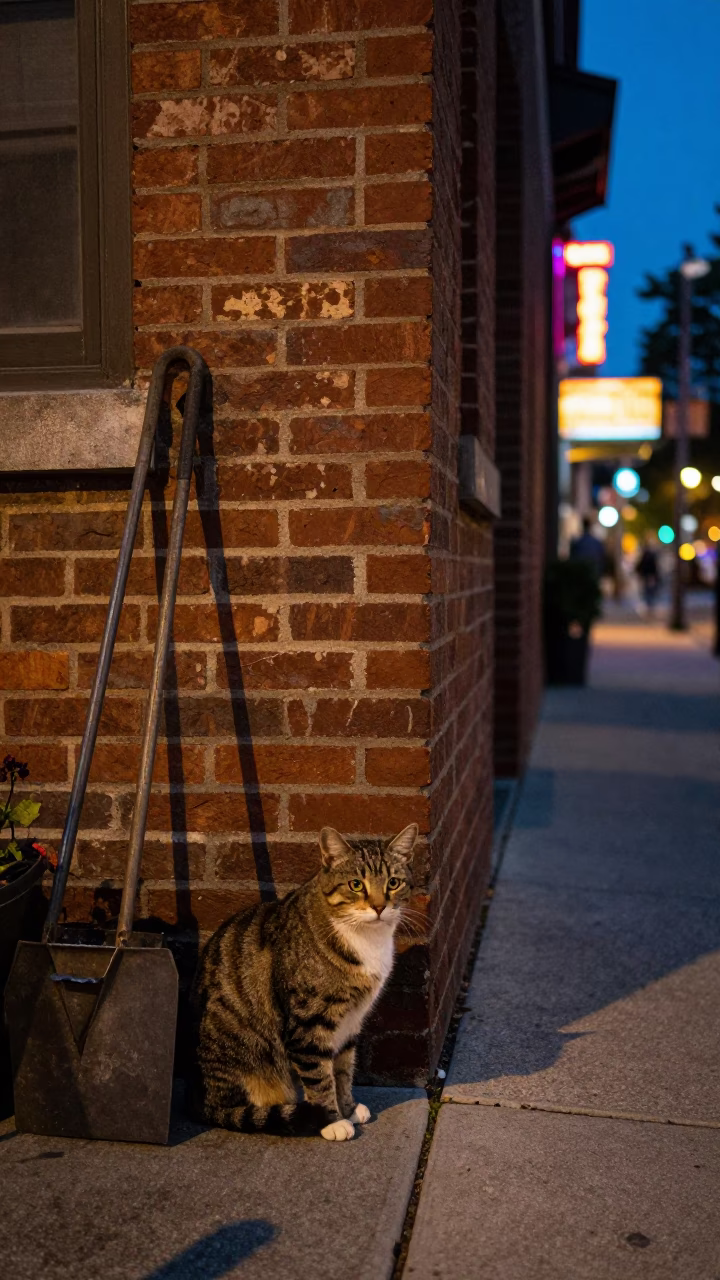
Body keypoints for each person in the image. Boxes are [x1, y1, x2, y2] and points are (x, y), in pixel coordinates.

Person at [636, 542, 661, 613]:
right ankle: (649, 605)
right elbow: (654, 568)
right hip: (649, 576)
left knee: (647, 591)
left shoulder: (645, 556)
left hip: (647, 576)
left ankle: (649, 604)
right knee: (649, 591)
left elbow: (640, 566)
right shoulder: (651, 556)